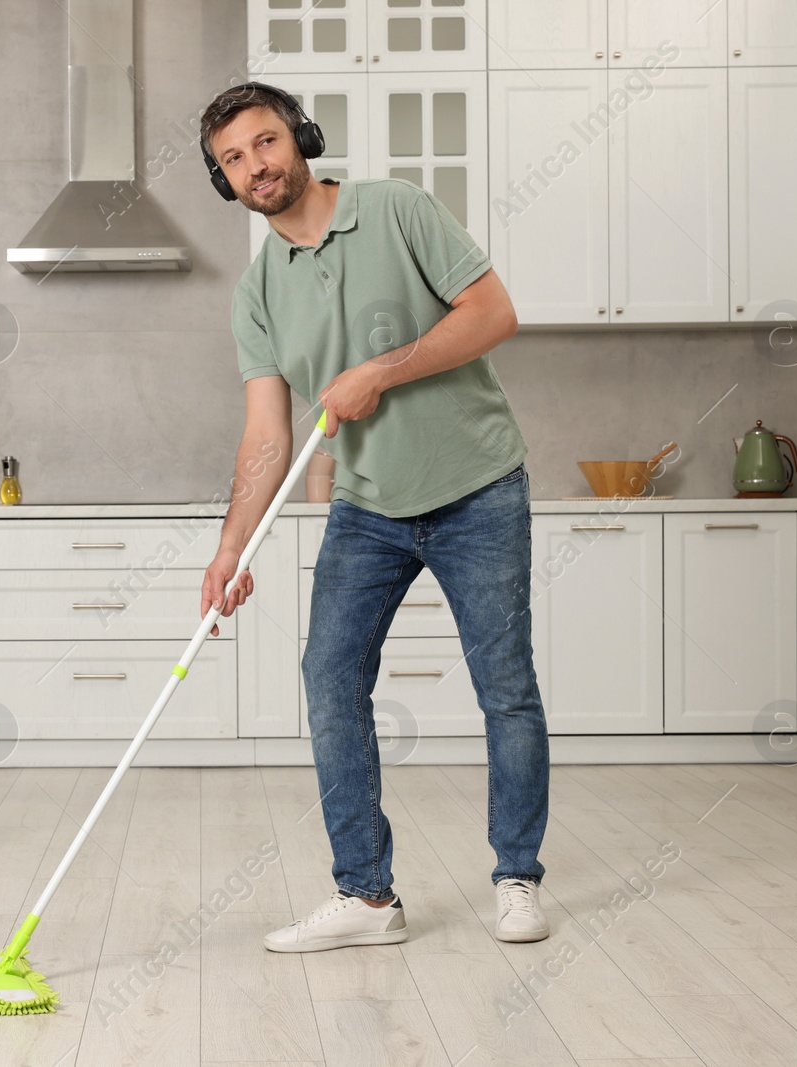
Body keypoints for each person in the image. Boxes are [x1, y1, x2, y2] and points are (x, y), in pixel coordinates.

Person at [197, 83, 551, 951]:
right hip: (367, 508)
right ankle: (366, 895)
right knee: (329, 677)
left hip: (477, 486)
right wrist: (229, 546)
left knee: (504, 686)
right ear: (224, 181)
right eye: (233, 160)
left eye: (265, 142)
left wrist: (381, 370)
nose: (255, 167)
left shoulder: (396, 209)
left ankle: (517, 877)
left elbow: (494, 314)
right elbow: (265, 437)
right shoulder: (256, 293)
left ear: (300, 139)